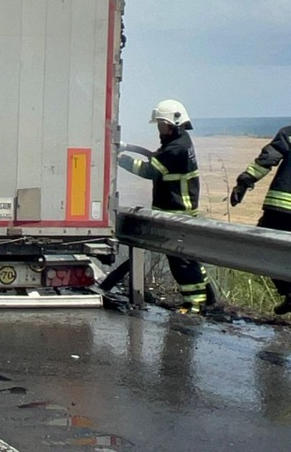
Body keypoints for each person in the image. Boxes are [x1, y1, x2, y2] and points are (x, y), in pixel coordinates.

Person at [117, 99, 210, 313]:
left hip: (177, 209)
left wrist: (121, 160)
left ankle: (195, 304)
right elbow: (157, 159)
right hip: (180, 207)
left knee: (181, 261)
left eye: (161, 125)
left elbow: (150, 171)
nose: (159, 129)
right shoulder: (181, 141)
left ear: (174, 123)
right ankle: (207, 295)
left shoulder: (176, 148)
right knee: (188, 256)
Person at [229, 123, 291, 314]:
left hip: (279, 210)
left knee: (264, 249)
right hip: (279, 209)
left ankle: (289, 293)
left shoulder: (289, 133)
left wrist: (244, 181)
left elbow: (267, 159)